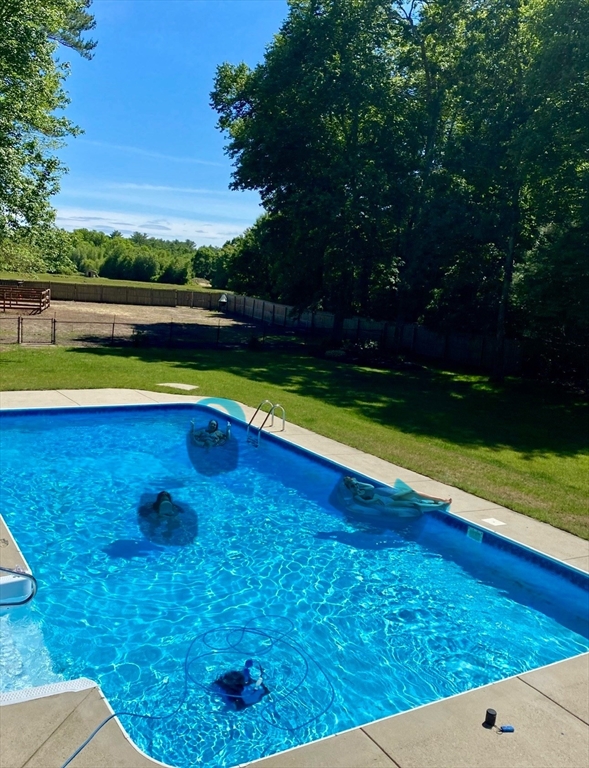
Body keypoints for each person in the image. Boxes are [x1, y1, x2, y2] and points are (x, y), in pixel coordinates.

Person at [343, 476, 451, 507]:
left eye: (356, 484)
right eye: (353, 486)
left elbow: (370, 486)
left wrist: (356, 482)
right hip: (387, 504)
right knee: (411, 504)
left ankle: (439, 499)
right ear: (349, 488)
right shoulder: (356, 496)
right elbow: (366, 503)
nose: (355, 487)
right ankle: (440, 505)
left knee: (411, 491)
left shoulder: (363, 489)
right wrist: (375, 499)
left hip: (389, 499)